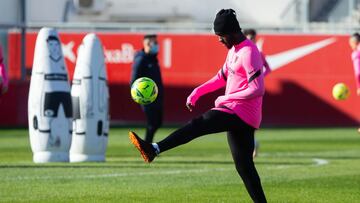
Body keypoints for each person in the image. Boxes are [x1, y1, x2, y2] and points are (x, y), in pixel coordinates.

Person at [129, 9, 267, 202]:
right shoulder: (234, 51)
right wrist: (198, 92)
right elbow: (221, 78)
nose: (219, 40)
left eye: (221, 36)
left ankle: (154, 149)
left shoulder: (249, 52)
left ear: (231, 32)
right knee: (244, 167)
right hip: (238, 113)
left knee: (199, 123)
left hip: (241, 111)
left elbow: (257, 89)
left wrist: (226, 99)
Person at [243, 28, 272, 157]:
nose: (251, 41)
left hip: (254, 92)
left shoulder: (259, 54)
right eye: (249, 38)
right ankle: (251, 144)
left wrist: (259, 78)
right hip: (242, 90)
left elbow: (268, 69)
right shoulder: (241, 53)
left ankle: (252, 144)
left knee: (251, 119)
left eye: (253, 38)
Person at [130, 34, 164, 143]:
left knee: (158, 122)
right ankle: (146, 146)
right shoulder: (141, 59)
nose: (157, 45)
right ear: (147, 44)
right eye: (155, 43)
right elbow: (134, 79)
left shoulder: (153, 59)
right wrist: (137, 96)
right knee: (152, 122)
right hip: (147, 97)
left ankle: (147, 145)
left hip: (157, 96)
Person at [349, 33, 360, 133]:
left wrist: (358, 86)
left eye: (350, 43)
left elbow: (358, 72)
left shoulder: (356, 54)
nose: (350, 45)